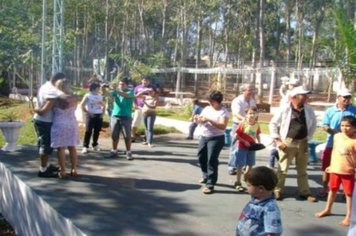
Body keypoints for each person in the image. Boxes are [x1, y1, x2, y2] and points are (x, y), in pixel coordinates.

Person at [269, 85, 317, 202]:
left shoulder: (309, 110)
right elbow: (273, 124)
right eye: (303, 95)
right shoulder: (285, 108)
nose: (306, 97)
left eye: (306, 95)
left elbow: (313, 125)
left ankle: (305, 192)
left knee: (302, 170)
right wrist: (277, 140)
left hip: (303, 142)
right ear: (294, 97)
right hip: (288, 142)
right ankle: (277, 190)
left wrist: (307, 138)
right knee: (283, 168)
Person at [315, 116, 356, 227]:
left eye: (348, 126)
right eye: (342, 125)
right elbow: (335, 151)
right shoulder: (337, 136)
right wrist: (331, 165)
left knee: (348, 194)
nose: (345, 128)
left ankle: (349, 216)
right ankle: (327, 209)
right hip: (335, 170)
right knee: (332, 190)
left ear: (354, 127)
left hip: (348, 172)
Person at [34, 79, 80, 178]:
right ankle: (74, 169)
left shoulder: (55, 99)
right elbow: (75, 108)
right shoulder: (74, 97)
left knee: (61, 148)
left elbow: (43, 111)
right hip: (71, 123)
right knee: (72, 147)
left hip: (59, 124)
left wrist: (36, 109)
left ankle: (63, 170)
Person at [319, 88, 356, 198]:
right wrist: (336, 133)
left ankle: (347, 191)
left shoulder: (354, 110)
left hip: (350, 144)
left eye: (348, 97)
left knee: (349, 168)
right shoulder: (330, 111)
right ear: (338, 98)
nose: (346, 99)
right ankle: (325, 188)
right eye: (344, 97)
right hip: (332, 144)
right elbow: (324, 126)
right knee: (327, 167)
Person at [32, 72, 65, 178]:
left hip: (41, 121)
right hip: (45, 121)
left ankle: (45, 166)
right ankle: (43, 170)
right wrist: (37, 110)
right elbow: (44, 111)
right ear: (57, 80)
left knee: (43, 144)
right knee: (45, 145)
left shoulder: (45, 85)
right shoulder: (51, 91)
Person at [196, 90, 229, 194]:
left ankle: (210, 184)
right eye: (209, 101)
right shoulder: (207, 108)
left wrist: (209, 119)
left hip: (216, 138)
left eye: (212, 101)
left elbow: (223, 126)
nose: (210, 103)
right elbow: (201, 119)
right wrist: (197, 119)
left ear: (218, 101)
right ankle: (205, 175)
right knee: (201, 156)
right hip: (204, 136)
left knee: (212, 160)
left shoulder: (223, 112)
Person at [236, 166, 283, 236]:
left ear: (260, 188)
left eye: (248, 185)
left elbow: (274, 232)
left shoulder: (270, 209)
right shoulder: (256, 199)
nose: (247, 188)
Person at [228, 84, 256, 175]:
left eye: (252, 89)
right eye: (249, 90)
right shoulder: (237, 101)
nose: (251, 91)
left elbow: (254, 111)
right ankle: (232, 166)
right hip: (238, 124)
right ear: (243, 91)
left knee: (247, 145)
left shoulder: (252, 100)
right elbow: (235, 113)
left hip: (249, 126)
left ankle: (243, 166)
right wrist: (244, 119)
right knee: (235, 146)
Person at [232, 107, 262, 192]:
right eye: (250, 113)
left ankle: (246, 179)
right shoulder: (243, 124)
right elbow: (236, 136)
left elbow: (258, 134)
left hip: (252, 147)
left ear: (256, 115)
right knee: (240, 165)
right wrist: (244, 141)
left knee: (250, 164)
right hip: (242, 147)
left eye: (254, 113)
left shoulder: (257, 124)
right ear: (246, 115)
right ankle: (237, 182)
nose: (252, 115)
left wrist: (259, 142)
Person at [106, 78, 135, 160]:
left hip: (126, 116)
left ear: (126, 85)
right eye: (120, 84)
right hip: (115, 116)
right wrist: (103, 89)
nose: (120, 85)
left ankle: (128, 152)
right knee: (114, 135)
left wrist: (116, 90)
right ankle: (114, 151)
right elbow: (107, 94)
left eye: (122, 84)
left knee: (127, 136)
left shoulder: (130, 91)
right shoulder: (116, 92)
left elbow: (127, 96)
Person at [80, 83, 106, 154]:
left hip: (98, 115)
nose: (99, 89)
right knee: (88, 131)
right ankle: (85, 146)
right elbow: (82, 105)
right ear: (94, 88)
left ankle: (95, 145)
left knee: (97, 131)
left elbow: (104, 105)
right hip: (90, 115)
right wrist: (88, 112)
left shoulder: (99, 96)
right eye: (98, 88)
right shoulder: (88, 96)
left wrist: (102, 113)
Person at [132, 75, 153, 142]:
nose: (145, 81)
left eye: (146, 80)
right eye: (144, 80)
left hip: (147, 108)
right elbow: (133, 97)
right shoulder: (137, 88)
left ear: (149, 81)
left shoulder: (151, 88)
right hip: (139, 107)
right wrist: (134, 104)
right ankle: (133, 136)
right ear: (141, 80)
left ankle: (146, 137)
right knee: (135, 122)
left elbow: (154, 96)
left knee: (146, 124)